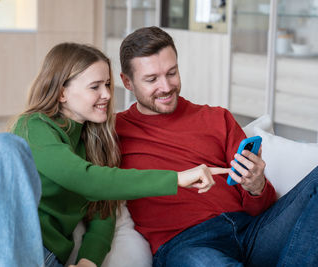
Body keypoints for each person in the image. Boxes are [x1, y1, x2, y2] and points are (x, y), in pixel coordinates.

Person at [0, 42, 228, 267]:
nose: (107, 94)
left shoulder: (99, 143)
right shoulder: (34, 126)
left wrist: (88, 261)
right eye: (95, 86)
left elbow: (103, 214)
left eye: (107, 84)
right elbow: (80, 178)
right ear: (62, 92)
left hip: (44, 259)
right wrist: (176, 178)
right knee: (1, 147)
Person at [115, 26, 318, 266]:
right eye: (151, 79)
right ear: (127, 82)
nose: (166, 86)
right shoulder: (115, 132)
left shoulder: (216, 118)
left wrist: (256, 185)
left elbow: (260, 205)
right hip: (187, 244)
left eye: (172, 73)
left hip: (252, 231)